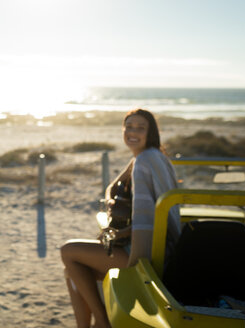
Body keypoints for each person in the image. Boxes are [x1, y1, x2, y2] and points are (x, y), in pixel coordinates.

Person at [60, 108, 180, 328]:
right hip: (159, 246)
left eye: (140, 128)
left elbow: (146, 219)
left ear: (151, 132)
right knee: (72, 272)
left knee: (68, 251)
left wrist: (127, 245)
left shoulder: (144, 161)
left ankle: (103, 322)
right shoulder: (152, 157)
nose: (133, 132)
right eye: (129, 126)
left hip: (144, 253)